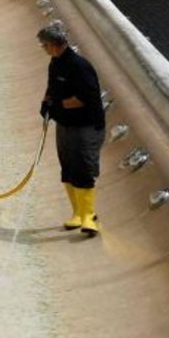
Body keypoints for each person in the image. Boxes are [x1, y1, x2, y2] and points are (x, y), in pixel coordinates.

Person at [39, 23, 105, 236]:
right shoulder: (55, 63)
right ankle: (77, 213)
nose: (44, 48)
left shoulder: (79, 66)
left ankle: (89, 216)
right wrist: (46, 103)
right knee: (67, 167)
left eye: (45, 45)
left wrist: (58, 105)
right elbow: (52, 88)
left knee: (83, 169)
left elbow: (85, 99)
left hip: (85, 126)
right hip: (65, 124)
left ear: (56, 45)